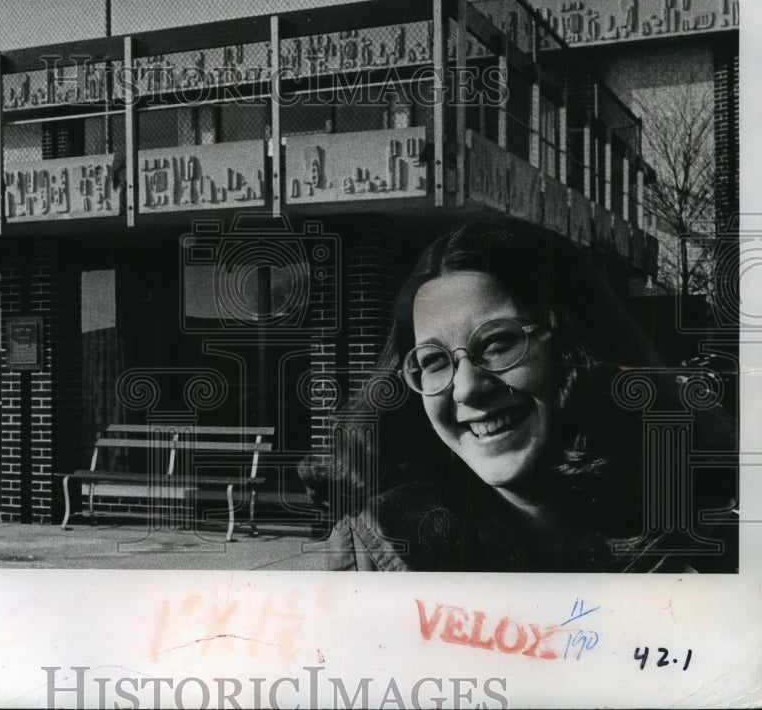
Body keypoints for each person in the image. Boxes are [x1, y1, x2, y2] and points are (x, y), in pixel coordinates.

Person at [302, 216, 737, 572]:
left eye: (497, 343)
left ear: (575, 347)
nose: (467, 388)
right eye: (433, 361)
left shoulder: (712, 535)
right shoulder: (371, 559)